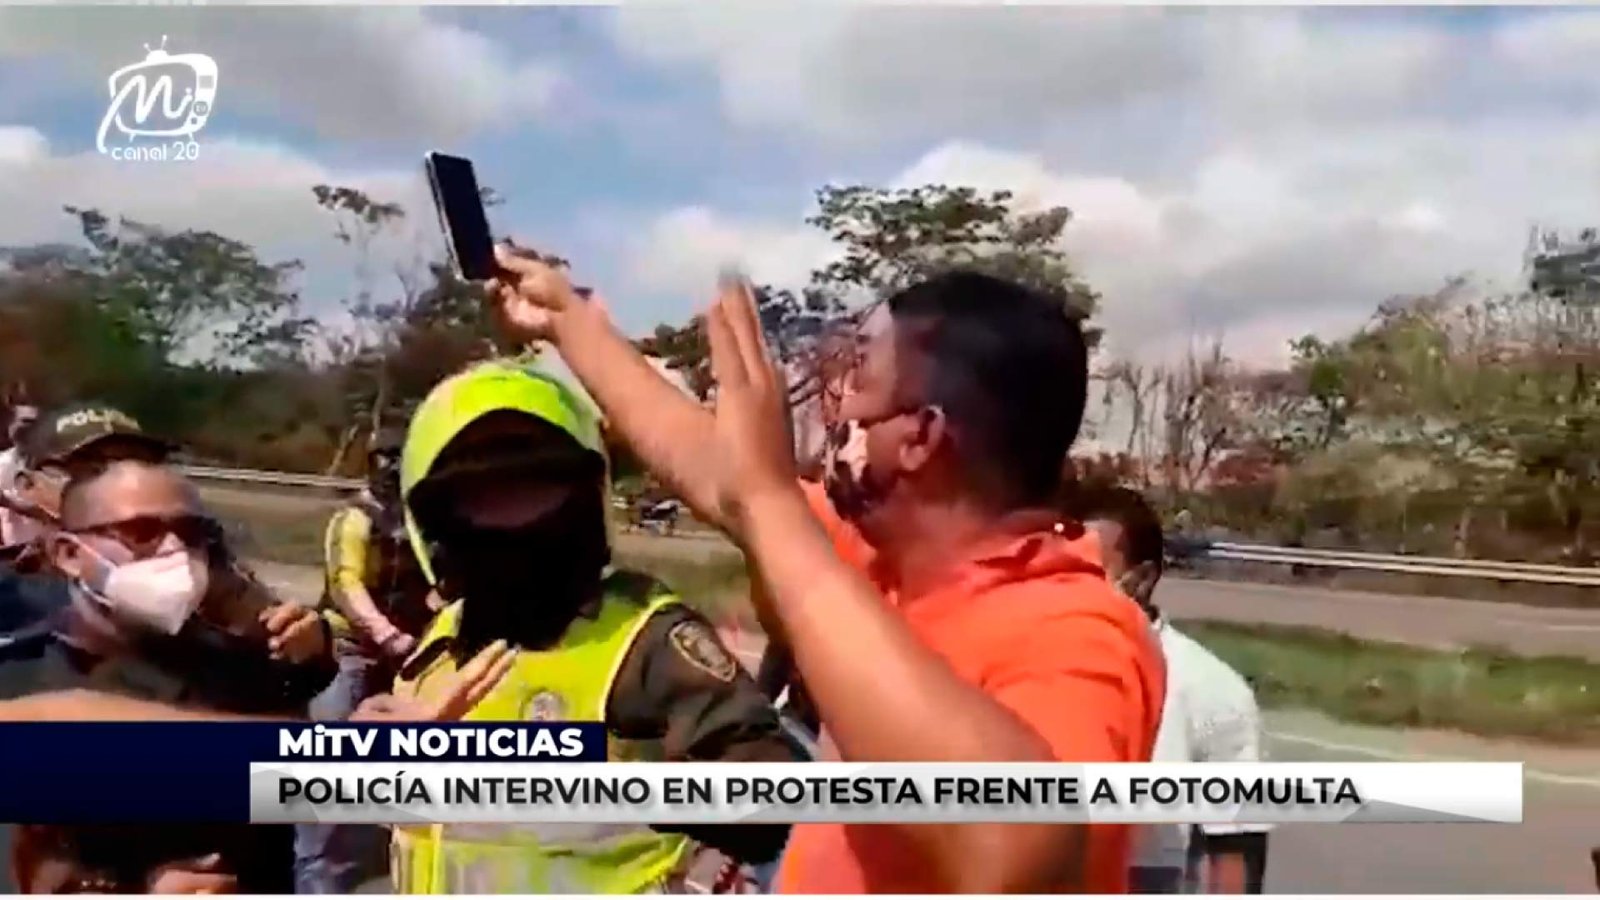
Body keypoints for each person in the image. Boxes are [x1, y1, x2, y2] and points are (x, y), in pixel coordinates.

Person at [487, 249, 1165, 894]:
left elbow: (1016, 848)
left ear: (921, 438)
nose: (835, 404)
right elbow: (712, 468)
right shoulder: (881, 564)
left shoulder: (1080, 632)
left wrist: (770, 499)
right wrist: (566, 322)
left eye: (860, 379)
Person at [387, 357, 799, 894]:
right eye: (485, 499)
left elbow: (769, 794)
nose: (517, 526)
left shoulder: (643, 641)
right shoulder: (438, 643)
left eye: (539, 490)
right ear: (436, 525)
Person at [0, 457, 338, 893]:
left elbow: (311, 772)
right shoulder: (22, 683)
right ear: (69, 554)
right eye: (142, 532)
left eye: (192, 534)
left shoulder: (235, 664)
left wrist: (314, 644)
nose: (175, 551)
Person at [1066, 483, 1271, 895]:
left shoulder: (1210, 689)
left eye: (1086, 574)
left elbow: (1234, 847)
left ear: (1140, 579)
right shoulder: (1017, 660)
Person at [296, 426, 436, 893]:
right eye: (385, 457)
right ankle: (317, 873)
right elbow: (345, 585)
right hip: (349, 647)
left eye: (402, 456)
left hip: (411, 648)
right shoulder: (354, 518)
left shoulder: (419, 517)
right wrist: (386, 633)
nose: (394, 467)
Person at [0, 403, 39, 547]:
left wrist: (11, 503)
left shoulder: (57, 461)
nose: (24, 428)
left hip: (48, 550)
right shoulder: (1, 463)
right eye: (22, 421)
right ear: (11, 427)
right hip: (14, 550)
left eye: (31, 423)